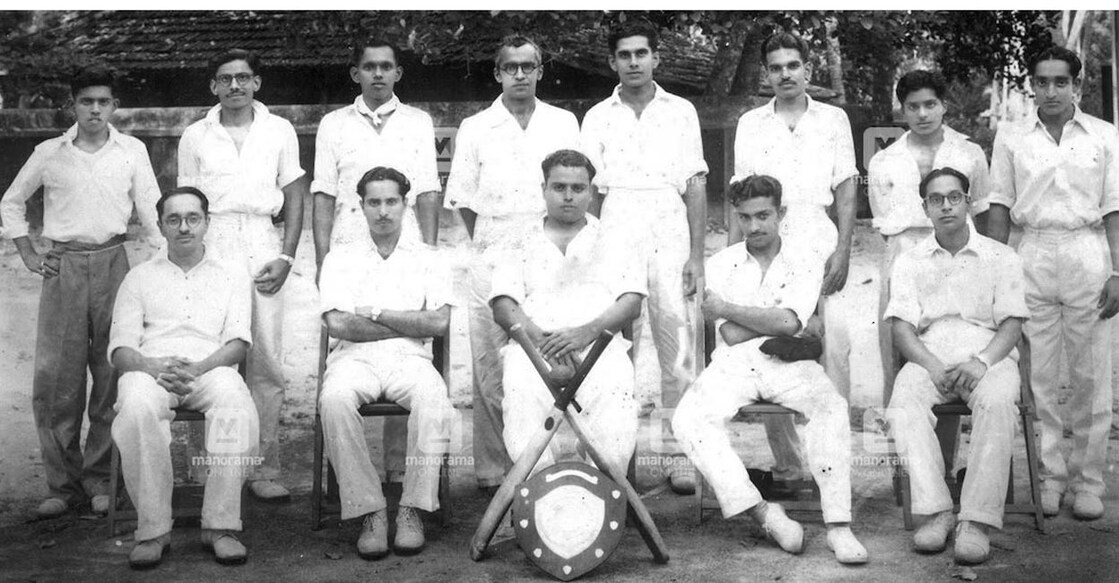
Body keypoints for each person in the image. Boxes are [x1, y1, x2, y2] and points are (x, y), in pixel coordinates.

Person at [671, 175, 867, 565]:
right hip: (735, 364)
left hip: (788, 361)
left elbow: (787, 325)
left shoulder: (805, 259)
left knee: (830, 407)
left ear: (781, 213)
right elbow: (730, 333)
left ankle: (838, 526)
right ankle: (763, 513)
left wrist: (732, 310)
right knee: (687, 419)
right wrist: (768, 319)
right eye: (745, 217)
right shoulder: (721, 262)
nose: (754, 226)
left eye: (763, 215)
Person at [0, 65, 160, 518]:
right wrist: (29, 253)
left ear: (114, 106)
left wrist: (163, 263)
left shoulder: (132, 150)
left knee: (112, 373)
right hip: (64, 266)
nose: (95, 109)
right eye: (86, 101)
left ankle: (99, 479)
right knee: (56, 380)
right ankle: (61, 485)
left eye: (103, 102)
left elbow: (151, 208)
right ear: (72, 104)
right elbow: (11, 202)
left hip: (115, 263)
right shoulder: (50, 152)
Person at [444, 34, 581, 492]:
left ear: (541, 70)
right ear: (497, 73)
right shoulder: (476, 126)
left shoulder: (563, 122)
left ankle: (553, 461)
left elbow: (577, 186)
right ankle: (491, 469)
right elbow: (463, 199)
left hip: (548, 247)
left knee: (547, 353)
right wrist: (492, 239)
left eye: (528, 66)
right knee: (488, 362)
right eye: (511, 67)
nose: (520, 74)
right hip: (492, 243)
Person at [987, 45, 1119, 521]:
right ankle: (1050, 477)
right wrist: (997, 274)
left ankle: (1088, 481)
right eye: (1041, 82)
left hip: (1087, 251)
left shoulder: (1104, 136)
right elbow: (1000, 203)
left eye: (1060, 82)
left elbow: (1114, 209)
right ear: (1032, 86)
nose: (1050, 91)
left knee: (1090, 376)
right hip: (1033, 252)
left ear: (1076, 86)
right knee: (1039, 376)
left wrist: (1118, 272)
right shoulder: (1013, 136)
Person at [580, 19, 707, 494]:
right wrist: (592, 252)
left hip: (668, 220)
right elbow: (590, 190)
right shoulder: (597, 116)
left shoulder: (681, 111)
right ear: (613, 61)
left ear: (656, 57)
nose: (633, 62)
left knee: (678, 336)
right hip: (617, 220)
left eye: (641, 53)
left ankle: (683, 454)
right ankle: (618, 454)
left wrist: (696, 253)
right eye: (624, 55)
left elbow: (696, 182)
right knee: (615, 340)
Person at [730, 30, 860, 489]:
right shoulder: (751, 123)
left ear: (808, 69)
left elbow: (846, 187)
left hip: (818, 234)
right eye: (776, 67)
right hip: (768, 240)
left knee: (835, 347)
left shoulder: (833, 119)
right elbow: (741, 196)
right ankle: (788, 466)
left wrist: (843, 248)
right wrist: (734, 259)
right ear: (767, 74)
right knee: (768, 347)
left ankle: (835, 469)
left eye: (793, 65)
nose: (785, 74)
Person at [178, 48, 308, 502]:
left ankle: (263, 467)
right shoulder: (195, 135)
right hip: (212, 242)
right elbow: (187, 201)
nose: (235, 86)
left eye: (243, 78)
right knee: (212, 351)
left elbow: (294, 195)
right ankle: (208, 465)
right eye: (225, 78)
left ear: (257, 83)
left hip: (260, 241)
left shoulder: (279, 130)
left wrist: (287, 257)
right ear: (213, 85)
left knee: (266, 360)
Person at [312, 38, 441, 484]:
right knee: (347, 360)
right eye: (370, 67)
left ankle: (398, 471)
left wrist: (427, 253)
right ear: (356, 73)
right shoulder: (333, 124)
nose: (379, 74)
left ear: (398, 74)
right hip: (350, 251)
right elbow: (324, 194)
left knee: (406, 354)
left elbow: (426, 190)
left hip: (403, 249)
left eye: (387, 67)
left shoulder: (417, 122)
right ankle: (346, 477)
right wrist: (322, 258)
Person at [885, 167, 1029, 564]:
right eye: (936, 199)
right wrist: (930, 365)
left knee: (999, 402)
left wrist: (982, 362)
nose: (946, 206)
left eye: (954, 197)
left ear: (968, 201)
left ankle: (977, 521)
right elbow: (902, 328)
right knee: (903, 400)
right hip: (931, 354)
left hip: (987, 355)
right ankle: (936, 512)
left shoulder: (1002, 256)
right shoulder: (910, 260)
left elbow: (1013, 323)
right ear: (925, 208)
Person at [109, 186, 258, 569]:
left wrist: (198, 369)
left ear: (207, 223)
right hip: (151, 369)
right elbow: (121, 351)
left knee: (236, 405)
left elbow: (239, 344)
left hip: (210, 367)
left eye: (193, 218)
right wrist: (153, 367)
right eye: (173, 220)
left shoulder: (230, 276)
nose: (184, 227)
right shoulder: (139, 278)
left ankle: (221, 526)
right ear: (160, 226)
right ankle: (153, 531)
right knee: (138, 407)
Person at [317, 166, 455, 560]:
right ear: (360, 207)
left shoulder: (430, 258)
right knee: (334, 400)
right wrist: (406, 322)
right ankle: (370, 510)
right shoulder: (339, 259)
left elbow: (439, 322)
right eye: (374, 202)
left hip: (410, 359)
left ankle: (412, 508)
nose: (383, 211)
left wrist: (375, 313)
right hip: (352, 358)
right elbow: (339, 323)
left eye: (391, 201)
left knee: (435, 400)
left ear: (406, 204)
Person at [490, 149, 643, 479]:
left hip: (598, 345)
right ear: (543, 188)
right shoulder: (517, 238)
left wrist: (584, 333)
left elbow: (631, 302)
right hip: (534, 347)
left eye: (578, 188)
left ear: (591, 191)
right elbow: (503, 305)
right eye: (559, 187)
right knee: (521, 404)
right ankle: (539, 498)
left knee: (616, 415)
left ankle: (600, 497)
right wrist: (544, 342)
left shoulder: (614, 237)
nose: (569, 196)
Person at [868, 68, 991, 392]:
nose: (922, 114)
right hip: (904, 252)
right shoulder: (884, 160)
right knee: (899, 348)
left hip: (958, 253)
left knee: (953, 343)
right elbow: (884, 223)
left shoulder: (969, 153)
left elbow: (980, 209)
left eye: (930, 104)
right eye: (913, 106)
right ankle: (901, 438)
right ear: (902, 110)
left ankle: (947, 442)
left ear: (943, 105)